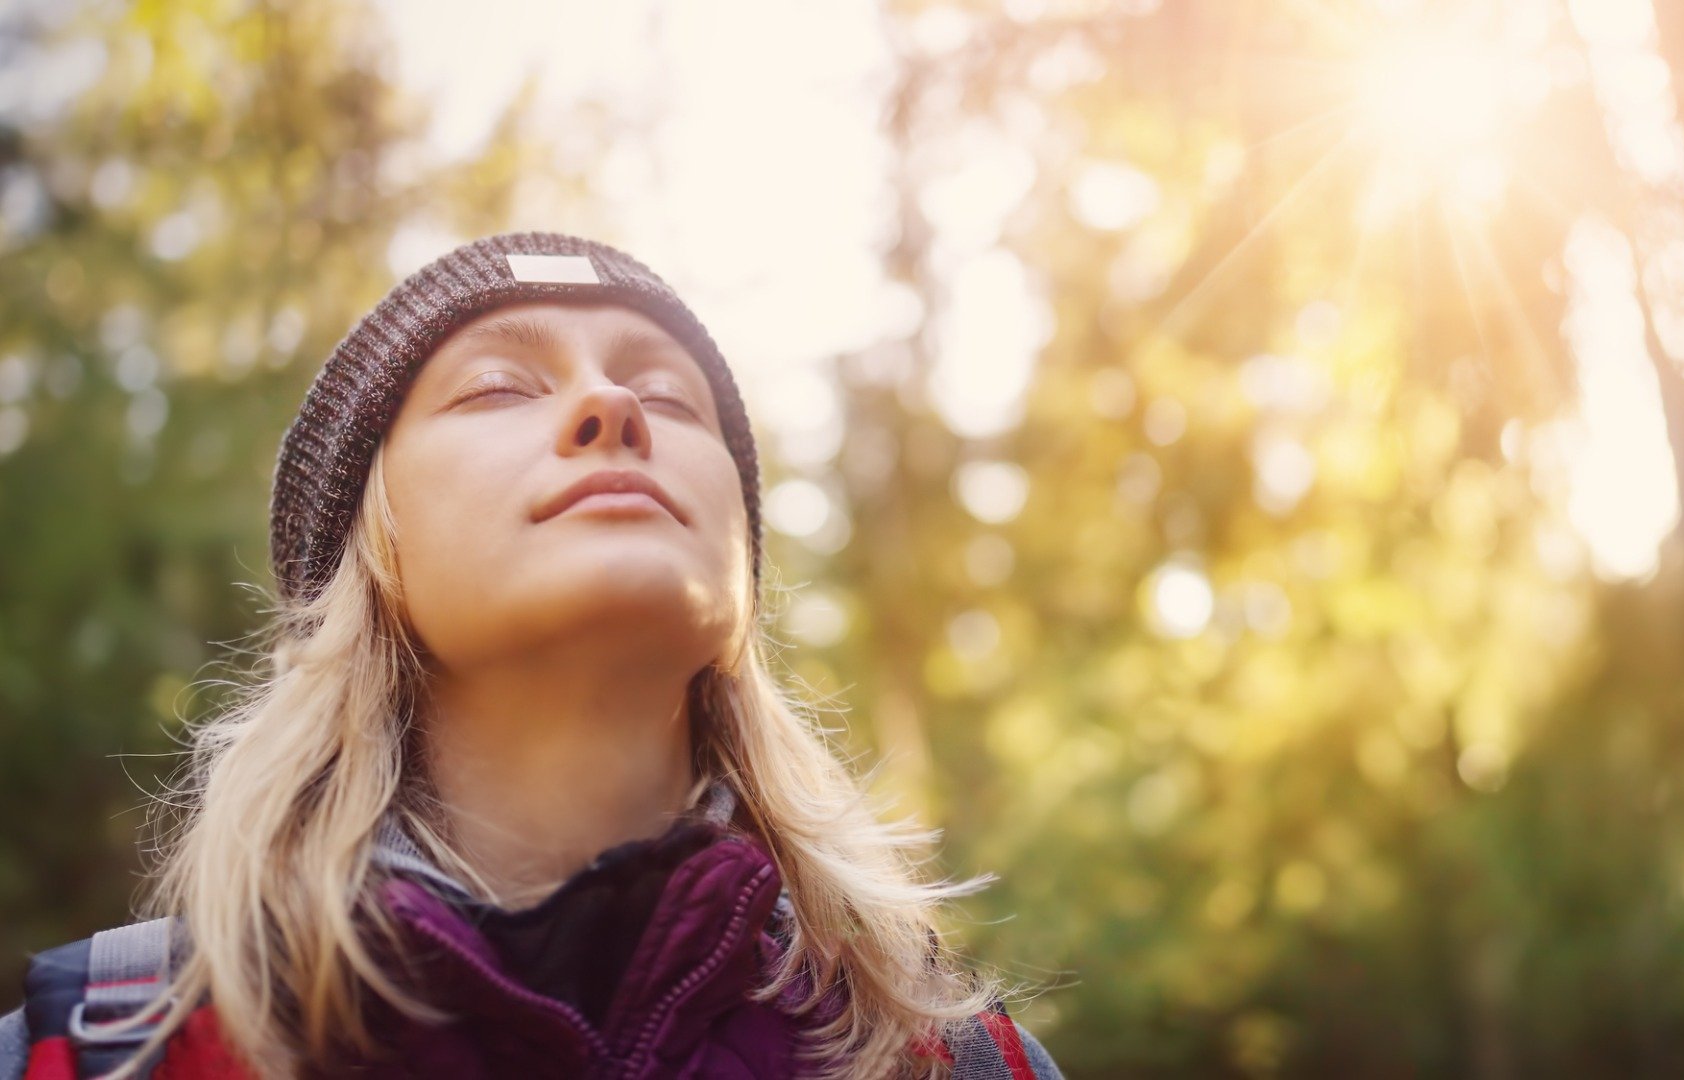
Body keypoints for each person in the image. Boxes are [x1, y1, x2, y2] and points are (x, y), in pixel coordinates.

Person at [0, 232, 1062, 1079]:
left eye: (672, 398)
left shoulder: (952, 1058)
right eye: (501, 387)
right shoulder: (93, 1055)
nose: (614, 408)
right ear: (367, 552)